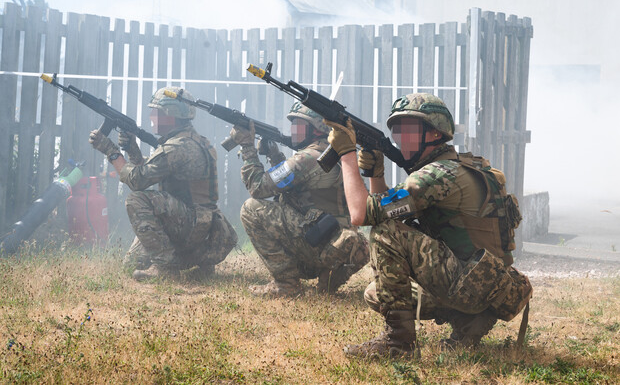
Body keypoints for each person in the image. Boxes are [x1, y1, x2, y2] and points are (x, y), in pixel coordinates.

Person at [324, 93, 532, 358]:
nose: (400, 138)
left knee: (385, 234)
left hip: (469, 285)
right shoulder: (459, 167)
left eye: (408, 130)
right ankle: (469, 320)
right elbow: (390, 211)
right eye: (397, 130)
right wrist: (377, 174)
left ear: (434, 133)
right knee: (375, 293)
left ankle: (398, 344)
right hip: (486, 285)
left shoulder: (436, 175)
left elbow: (361, 214)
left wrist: (346, 154)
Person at [89, 87, 237, 281]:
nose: (151, 116)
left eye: (156, 112)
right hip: (202, 228)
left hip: (190, 226)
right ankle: (199, 262)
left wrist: (111, 152)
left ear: (171, 115)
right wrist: (132, 149)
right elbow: (150, 171)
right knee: (132, 264)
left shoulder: (177, 147)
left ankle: (167, 270)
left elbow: (137, 181)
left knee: (137, 200)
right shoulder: (194, 141)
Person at [227, 102, 369, 296]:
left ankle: (286, 285)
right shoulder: (333, 154)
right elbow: (296, 190)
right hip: (343, 246)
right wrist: (275, 157)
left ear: (317, 129)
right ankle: (326, 284)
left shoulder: (307, 158)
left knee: (251, 209)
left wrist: (247, 147)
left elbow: (258, 187)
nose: (293, 130)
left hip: (318, 245)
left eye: (299, 125)